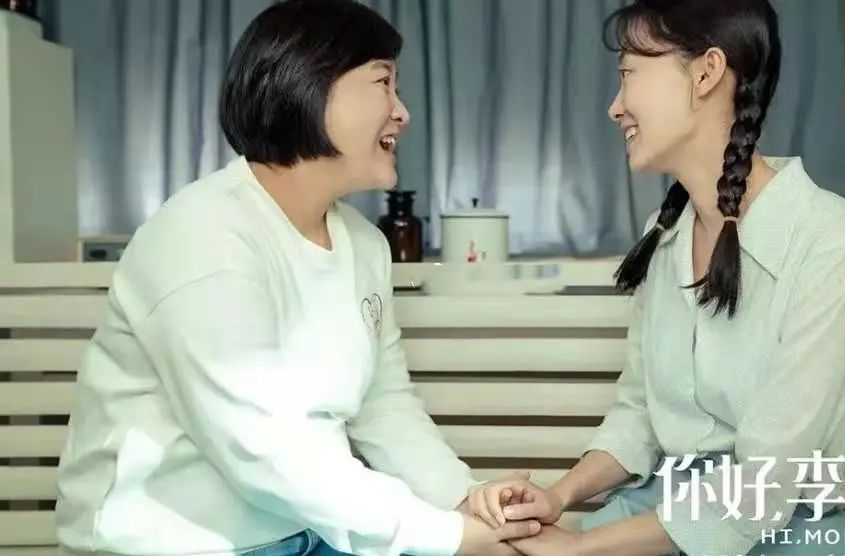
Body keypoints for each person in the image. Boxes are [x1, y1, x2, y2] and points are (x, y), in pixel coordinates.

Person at [54, 1, 538, 554]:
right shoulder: (204, 234)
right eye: (384, 82)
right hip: (173, 542)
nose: (402, 112)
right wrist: (446, 537)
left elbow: (384, 407)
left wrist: (464, 500)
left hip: (305, 532)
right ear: (310, 82)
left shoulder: (364, 244)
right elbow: (263, 449)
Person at [467, 1, 845, 555]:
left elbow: (766, 483)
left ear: (706, 72)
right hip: (657, 513)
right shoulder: (663, 237)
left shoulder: (833, 243)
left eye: (628, 74)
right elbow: (640, 416)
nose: (615, 106)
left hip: (783, 531)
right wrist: (557, 495)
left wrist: (579, 549)